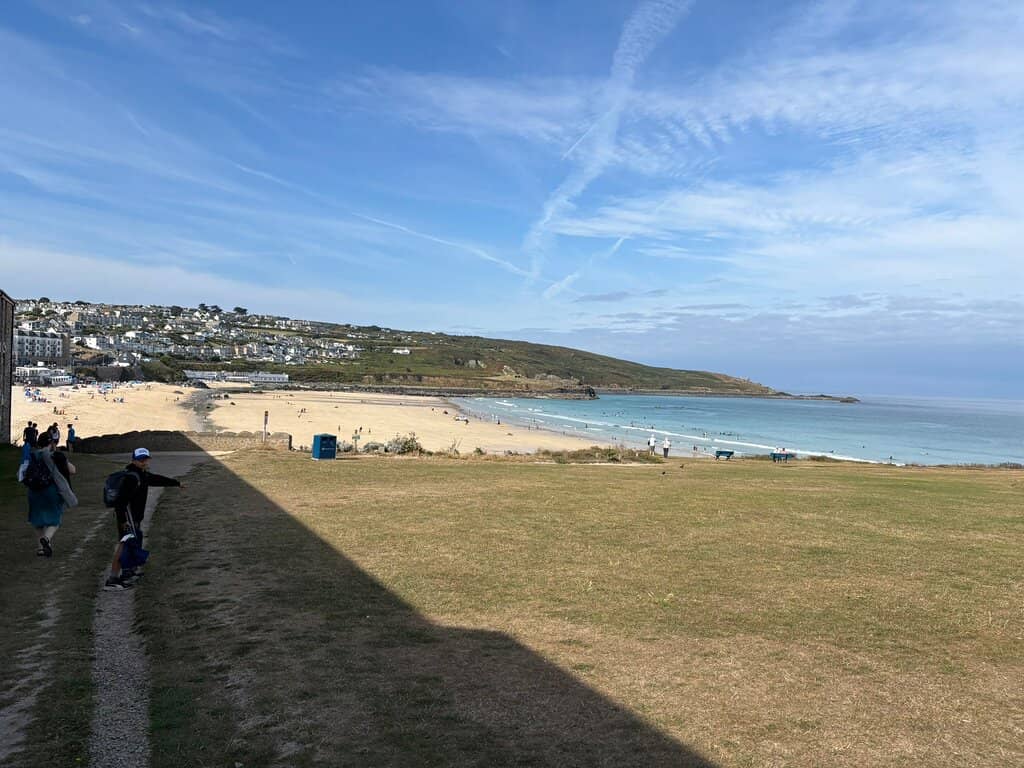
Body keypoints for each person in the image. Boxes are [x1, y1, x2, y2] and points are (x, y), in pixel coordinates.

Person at [105, 448, 183, 590]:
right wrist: (123, 521)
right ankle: (113, 579)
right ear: (134, 460)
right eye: (140, 459)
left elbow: (156, 479)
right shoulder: (131, 477)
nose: (143, 462)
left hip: (134, 518)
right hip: (128, 518)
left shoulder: (142, 475)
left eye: (145, 459)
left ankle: (127, 573)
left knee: (132, 545)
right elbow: (121, 502)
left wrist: (176, 483)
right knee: (123, 547)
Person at [26, 432, 78, 557]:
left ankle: (41, 548)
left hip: (33, 491)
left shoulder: (32, 455)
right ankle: (47, 539)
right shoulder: (56, 455)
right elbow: (72, 470)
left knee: (37, 519)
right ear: (52, 443)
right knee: (54, 519)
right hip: (51, 490)